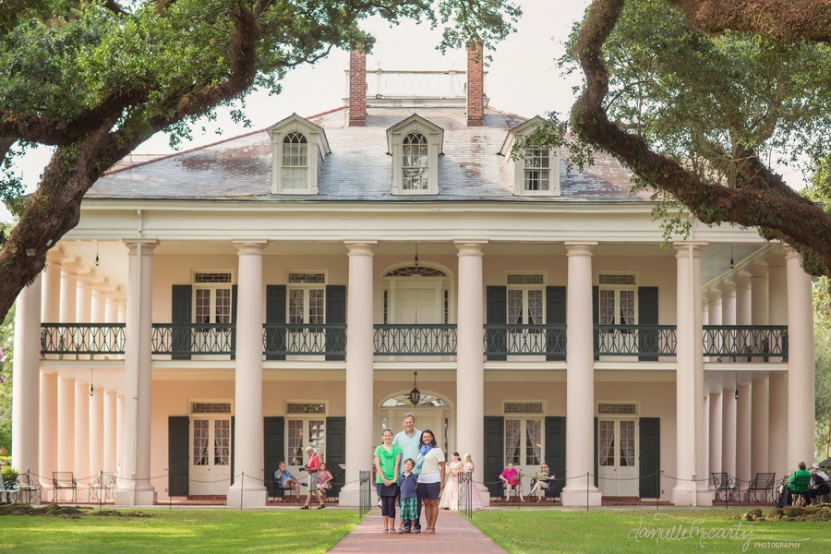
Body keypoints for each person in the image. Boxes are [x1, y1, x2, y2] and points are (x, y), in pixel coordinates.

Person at [393, 413, 423, 533]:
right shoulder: (398, 437)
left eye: (410, 422)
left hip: (417, 473)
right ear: (403, 423)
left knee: (416, 501)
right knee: (403, 500)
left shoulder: (421, 435)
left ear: (414, 422)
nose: (408, 424)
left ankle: (416, 525)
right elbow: (394, 453)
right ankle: (406, 525)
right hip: (403, 474)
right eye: (406, 422)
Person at [416, 429, 445, 534]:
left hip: (434, 479)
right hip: (422, 479)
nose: (426, 438)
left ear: (432, 438)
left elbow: (442, 466)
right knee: (426, 503)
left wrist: (442, 481)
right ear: (422, 439)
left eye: (428, 436)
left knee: (433, 502)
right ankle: (427, 525)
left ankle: (433, 526)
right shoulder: (421, 450)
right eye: (424, 437)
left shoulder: (436, 450)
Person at [374, 428, 402, 533]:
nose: (387, 437)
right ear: (382, 437)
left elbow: (397, 465)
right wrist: (384, 479)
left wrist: (395, 478)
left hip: (394, 479)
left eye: (389, 435)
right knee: (384, 503)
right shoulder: (379, 449)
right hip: (381, 480)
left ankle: (392, 527)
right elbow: (378, 465)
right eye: (385, 435)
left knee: (391, 503)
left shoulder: (397, 449)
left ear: (392, 436)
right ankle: (385, 527)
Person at [299, 445, 325, 510]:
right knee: (314, 489)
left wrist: (308, 469)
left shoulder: (315, 457)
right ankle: (321, 503)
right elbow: (310, 466)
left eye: (308, 452)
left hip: (313, 474)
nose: (307, 454)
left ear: (311, 451)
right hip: (310, 474)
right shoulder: (311, 457)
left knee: (310, 490)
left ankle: (306, 505)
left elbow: (317, 467)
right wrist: (305, 468)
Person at [397, 458, 419, 534]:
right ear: (403, 465)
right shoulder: (401, 476)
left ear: (412, 467)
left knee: (412, 512)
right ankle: (400, 527)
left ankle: (413, 527)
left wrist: (411, 491)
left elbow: (416, 486)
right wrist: (403, 493)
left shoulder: (413, 476)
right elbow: (400, 486)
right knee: (403, 511)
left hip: (412, 496)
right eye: (406, 464)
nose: (407, 466)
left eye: (410, 465)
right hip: (403, 496)